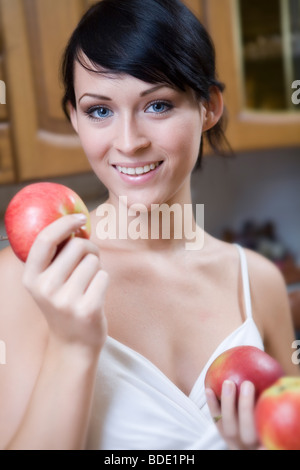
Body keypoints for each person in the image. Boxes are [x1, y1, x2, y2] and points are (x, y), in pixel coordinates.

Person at [0, 0, 298, 451]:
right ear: (74, 118)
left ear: (209, 108)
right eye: (100, 111)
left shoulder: (257, 282)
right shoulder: (26, 280)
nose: (129, 142)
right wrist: (72, 347)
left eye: (157, 105)